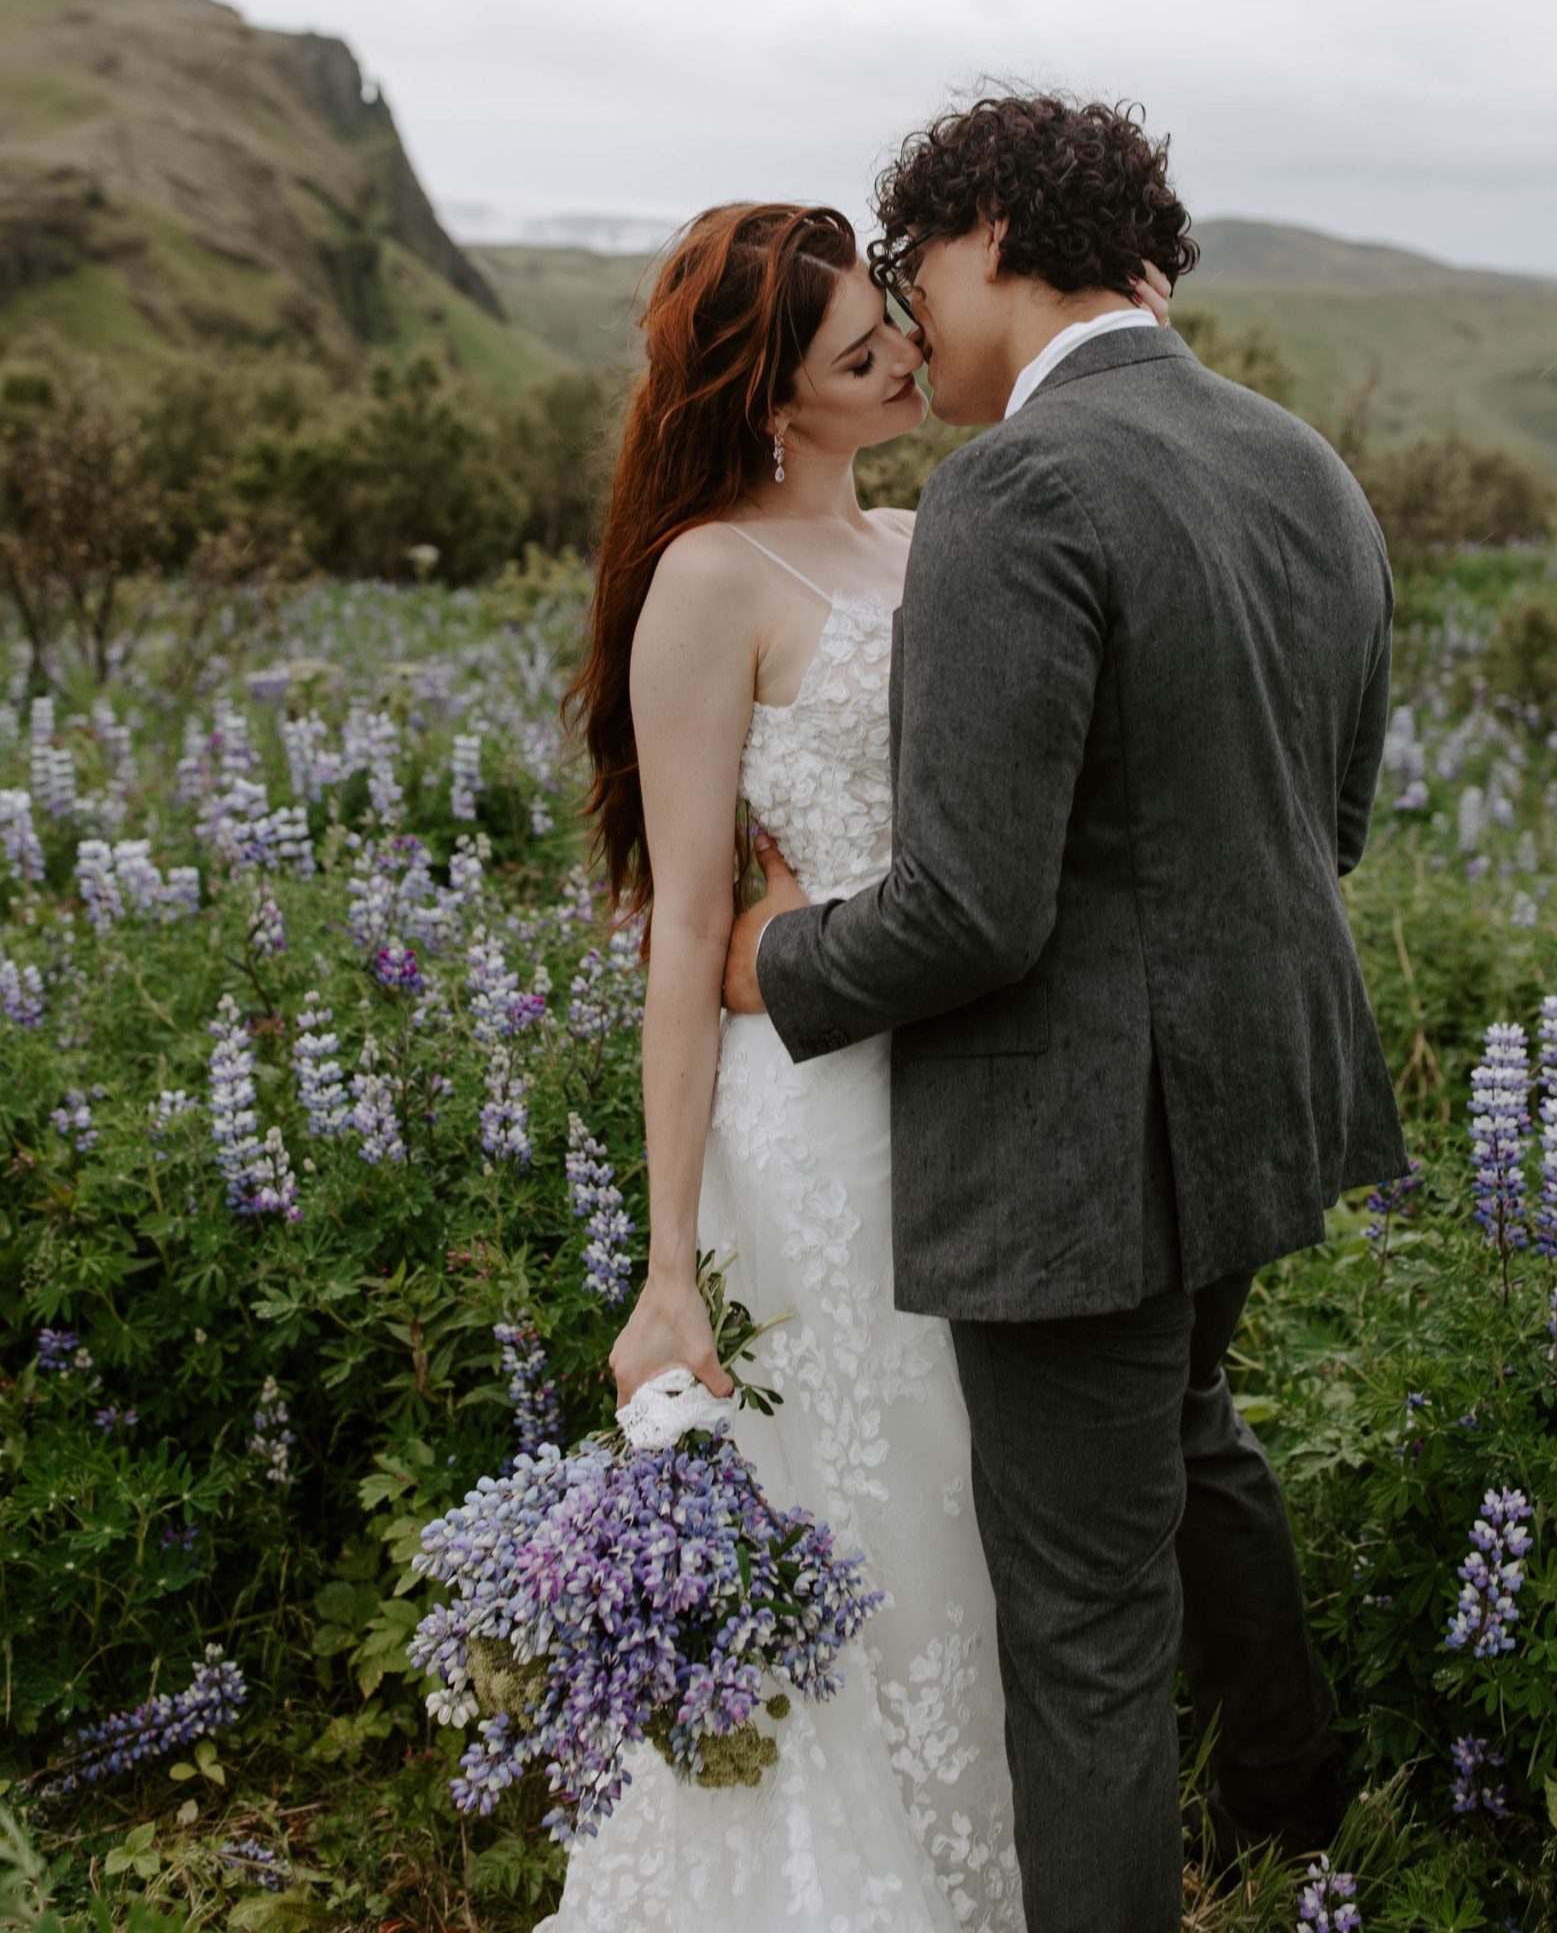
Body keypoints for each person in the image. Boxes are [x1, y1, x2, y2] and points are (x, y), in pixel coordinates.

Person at [721, 94, 1411, 1933]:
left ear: (1001, 231)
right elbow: (1322, 826)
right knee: (1190, 1432)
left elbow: (971, 909)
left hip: (1079, 1157)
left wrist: (772, 961)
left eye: (915, 266)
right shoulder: (1300, 461)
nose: (904, 313)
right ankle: (1293, 1789)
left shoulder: (1015, 487)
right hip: (1267, 1104)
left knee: (1085, 1633)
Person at [542, 196, 1081, 1931]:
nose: (909, 356)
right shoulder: (709, 579)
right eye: (864, 351)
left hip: (977, 1087)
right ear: (775, 398)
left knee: (966, 1530)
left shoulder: (939, 539)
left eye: (897, 330)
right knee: (854, 1510)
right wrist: (667, 1266)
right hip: (818, 1128)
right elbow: (688, 940)